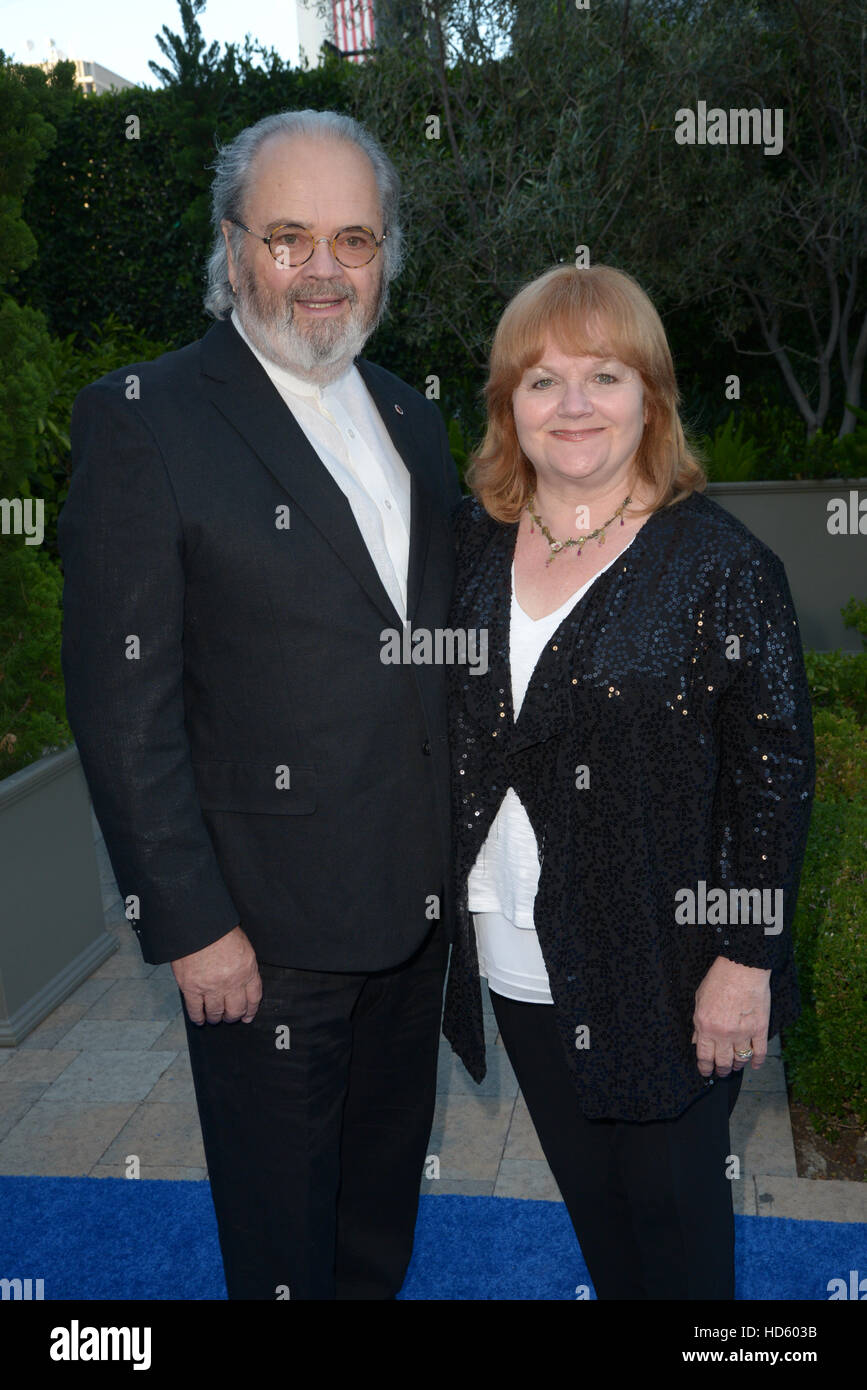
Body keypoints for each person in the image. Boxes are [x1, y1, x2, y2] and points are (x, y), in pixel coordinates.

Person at [58, 109, 462, 1300]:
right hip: (259, 940)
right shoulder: (143, 416)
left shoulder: (409, 414)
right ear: (234, 248)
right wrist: (189, 923)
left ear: (387, 253)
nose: (326, 269)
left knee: (374, 1223)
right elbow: (120, 703)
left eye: (356, 238)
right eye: (291, 237)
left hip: (412, 913)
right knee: (284, 1245)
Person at [442, 263, 815, 1300]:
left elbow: (775, 773)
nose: (572, 406)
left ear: (650, 393)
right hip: (518, 949)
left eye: (603, 375)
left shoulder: (719, 563)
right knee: (601, 1226)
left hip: (668, 966)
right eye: (541, 380)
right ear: (506, 405)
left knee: (677, 1236)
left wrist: (746, 959)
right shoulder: (471, 546)